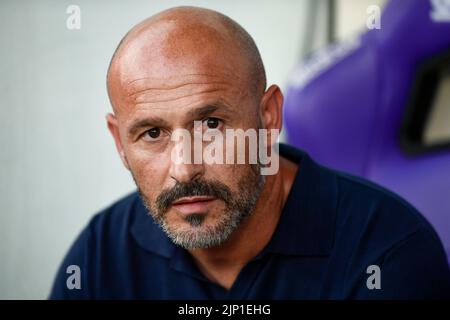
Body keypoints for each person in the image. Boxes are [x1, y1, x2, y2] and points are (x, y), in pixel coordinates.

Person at [50, 6, 450, 299]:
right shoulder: (101, 255)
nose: (185, 169)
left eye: (210, 125)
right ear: (120, 142)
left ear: (269, 116)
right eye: (152, 133)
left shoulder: (386, 251)